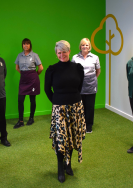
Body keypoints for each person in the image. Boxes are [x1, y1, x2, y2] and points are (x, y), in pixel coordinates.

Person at [44, 40, 86, 183]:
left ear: (69, 51)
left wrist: (73, 99)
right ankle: (60, 167)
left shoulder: (78, 68)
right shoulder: (51, 70)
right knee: (61, 139)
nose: (62, 54)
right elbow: (47, 89)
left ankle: (69, 164)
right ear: (56, 54)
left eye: (64, 51)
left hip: (75, 107)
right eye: (59, 52)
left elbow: (79, 86)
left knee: (73, 136)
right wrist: (57, 101)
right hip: (59, 109)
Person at [72, 38, 101, 133]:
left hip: (91, 86)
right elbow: (72, 71)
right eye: (83, 45)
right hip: (78, 86)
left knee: (90, 107)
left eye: (87, 45)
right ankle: (80, 125)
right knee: (79, 107)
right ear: (80, 46)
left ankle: (89, 126)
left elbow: (98, 71)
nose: (85, 47)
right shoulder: (75, 57)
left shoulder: (95, 57)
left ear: (90, 47)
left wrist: (92, 79)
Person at [13, 38, 43, 129]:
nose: (25, 45)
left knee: (32, 99)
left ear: (30, 45)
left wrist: (34, 75)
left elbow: (41, 68)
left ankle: (31, 118)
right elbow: (17, 68)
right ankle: (21, 120)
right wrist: (24, 75)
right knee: (20, 100)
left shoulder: (35, 55)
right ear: (22, 45)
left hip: (33, 80)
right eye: (24, 44)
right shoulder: (19, 55)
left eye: (27, 44)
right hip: (23, 80)